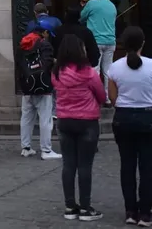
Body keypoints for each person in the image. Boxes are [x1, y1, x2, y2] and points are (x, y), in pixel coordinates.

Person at [108, 26, 152, 226]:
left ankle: (130, 211)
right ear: (143, 43)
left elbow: (113, 98)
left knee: (127, 165)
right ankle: (146, 212)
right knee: (148, 166)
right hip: (148, 117)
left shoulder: (115, 67)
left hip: (123, 117)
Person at [52, 34, 105, 222]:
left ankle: (69, 206)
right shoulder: (89, 72)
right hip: (87, 121)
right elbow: (101, 94)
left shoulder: (56, 72)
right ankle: (85, 207)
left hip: (65, 120)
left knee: (68, 164)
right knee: (85, 165)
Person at [18, 20, 61, 160]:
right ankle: (46, 150)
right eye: (48, 33)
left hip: (27, 86)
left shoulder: (23, 44)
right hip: (43, 87)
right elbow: (47, 64)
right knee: (45, 119)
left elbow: (20, 64)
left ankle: (26, 147)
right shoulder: (44, 44)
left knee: (26, 118)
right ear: (45, 32)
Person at [80, 0, 117, 106]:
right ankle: (107, 98)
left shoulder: (92, 4)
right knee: (108, 71)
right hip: (110, 41)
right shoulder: (112, 6)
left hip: (96, 40)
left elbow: (82, 17)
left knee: (95, 70)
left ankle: (94, 96)